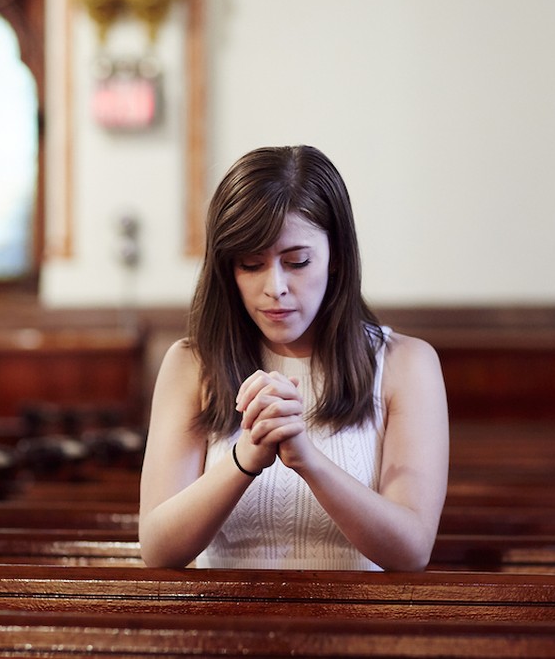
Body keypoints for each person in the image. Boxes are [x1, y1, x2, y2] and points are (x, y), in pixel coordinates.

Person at [138, 145, 449, 571]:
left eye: (297, 261)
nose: (275, 287)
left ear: (336, 257)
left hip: (362, 628)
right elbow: (158, 549)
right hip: (220, 626)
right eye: (251, 264)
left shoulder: (405, 364)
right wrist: (244, 459)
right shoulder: (192, 364)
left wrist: (307, 459)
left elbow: (411, 550)